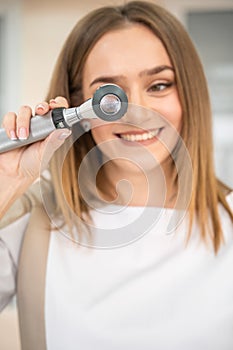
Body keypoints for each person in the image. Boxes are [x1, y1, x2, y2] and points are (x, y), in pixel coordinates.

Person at [0, 1, 233, 349]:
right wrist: (8, 180)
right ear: (78, 108)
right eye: (110, 95)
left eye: (159, 85)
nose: (138, 112)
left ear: (189, 94)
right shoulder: (30, 222)